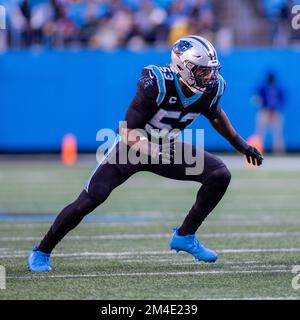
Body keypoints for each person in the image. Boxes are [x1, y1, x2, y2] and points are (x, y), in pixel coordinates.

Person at [27, 35, 263, 272]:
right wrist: (149, 149)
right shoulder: (157, 81)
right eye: (201, 71)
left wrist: (240, 144)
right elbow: (127, 131)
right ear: (183, 66)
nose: (209, 77)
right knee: (90, 199)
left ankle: (185, 235)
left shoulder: (213, 88)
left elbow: (215, 115)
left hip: (165, 147)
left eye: (210, 71)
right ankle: (42, 250)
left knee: (219, 174)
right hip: (132, 149)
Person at [255, 71, 285, 153]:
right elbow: (257, 98)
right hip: (267, 111)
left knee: (277, 133)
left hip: (272, 111)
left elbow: (282, 99)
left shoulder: (275, 87)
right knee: (262, 133)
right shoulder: (264, 87)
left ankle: (277, 151)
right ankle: (258, 150)